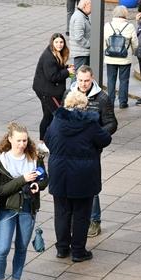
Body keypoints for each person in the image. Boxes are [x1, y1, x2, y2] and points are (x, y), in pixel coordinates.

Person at [46, 91, 111, 262]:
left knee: (62, 213)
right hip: (83, 176)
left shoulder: (57, 121)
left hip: (60, 173)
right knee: (82, 214)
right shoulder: (90, 124)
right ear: (84, 106)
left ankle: (62, 248)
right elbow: (105, 139)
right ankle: (78, 251)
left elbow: (47, 140)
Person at [0, 123, 48, 280]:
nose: (22, 144)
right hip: (7, 209)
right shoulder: (1, 161)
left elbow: (44, 179)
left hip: (28, 208)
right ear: (10, 139)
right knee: (2, 249)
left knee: (21, 248)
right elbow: (1, 190)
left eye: (24, 140)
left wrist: (36, 185)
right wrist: (23, 179)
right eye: (18, 140)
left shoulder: (34, 157)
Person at [68, 65, 117, 238]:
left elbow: (111, 123)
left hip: (92, 149)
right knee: (73, 184)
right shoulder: (70, 93)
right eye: (80, 80)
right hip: (72, 149)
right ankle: (76, 219)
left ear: (92, 78)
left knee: (91, 184)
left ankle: (94, 220)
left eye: (86, 81)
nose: (83, 84)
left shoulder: (102, 98)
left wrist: (98, 137)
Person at [32, 34, 74, 143]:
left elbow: (55, 70)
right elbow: (52, 76)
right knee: (59, 114)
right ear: (52, 43)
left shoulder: (55, 54)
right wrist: (67, 72)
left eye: (61, 42)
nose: (59, 45)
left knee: (48, 115)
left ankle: (43, 140)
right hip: (47, 92)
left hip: (46, 90)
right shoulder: (49, 58)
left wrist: (65, 68)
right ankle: (53, 139)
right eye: (57, 42)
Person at [104, 5, 138, 109]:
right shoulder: (130, 26)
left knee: (111, 80)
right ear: (125, 14)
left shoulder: (107, 25)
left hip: (110, 58)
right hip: (124, 58)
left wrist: (107, 50)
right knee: (124, 80)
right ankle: (123, 102)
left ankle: (110, 102)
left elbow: (105, 41)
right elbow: (135, 43)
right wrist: (132, 51)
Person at [68, 0, 92, 71]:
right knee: (79, 74)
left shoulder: (81, 15)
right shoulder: (79, 17)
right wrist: (89, 45)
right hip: (81, 52)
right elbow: (78, 37)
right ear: (85, 6)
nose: (92, 9)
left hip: (81, 51)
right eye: (90, 6)